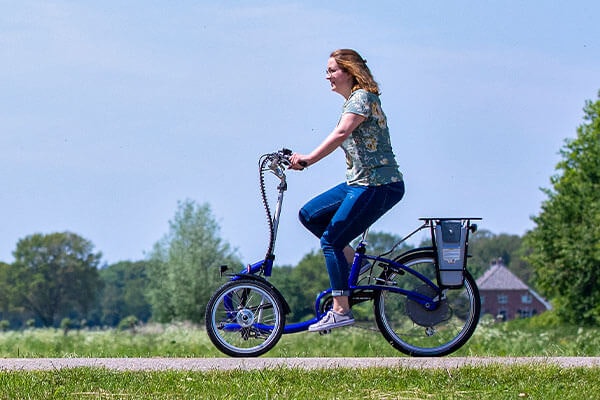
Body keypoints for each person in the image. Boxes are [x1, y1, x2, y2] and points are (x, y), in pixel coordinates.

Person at [289, 49, 405, 332]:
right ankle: (354, 262)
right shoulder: (353, 101)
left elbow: (341, 134)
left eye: (332, 71)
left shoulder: (362, 98)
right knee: (309, 214)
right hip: (359, 182)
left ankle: (340, 310)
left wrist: (308, 159)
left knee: (330, 241)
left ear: (350, 71)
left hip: (377, 184)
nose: (327, 76)